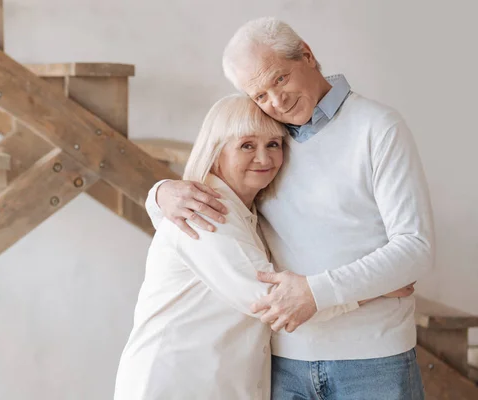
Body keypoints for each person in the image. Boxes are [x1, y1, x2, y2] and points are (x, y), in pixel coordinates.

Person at [145, 17, 434, 399]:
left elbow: (416, 248)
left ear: (307, 56)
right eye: (260, 95)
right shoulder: (268, 135)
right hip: (282, 361)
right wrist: (160, 193)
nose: (277, 102)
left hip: (372, 358)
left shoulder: (377, 127)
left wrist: (318, 292)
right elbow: (205, 205)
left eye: (280, 79)